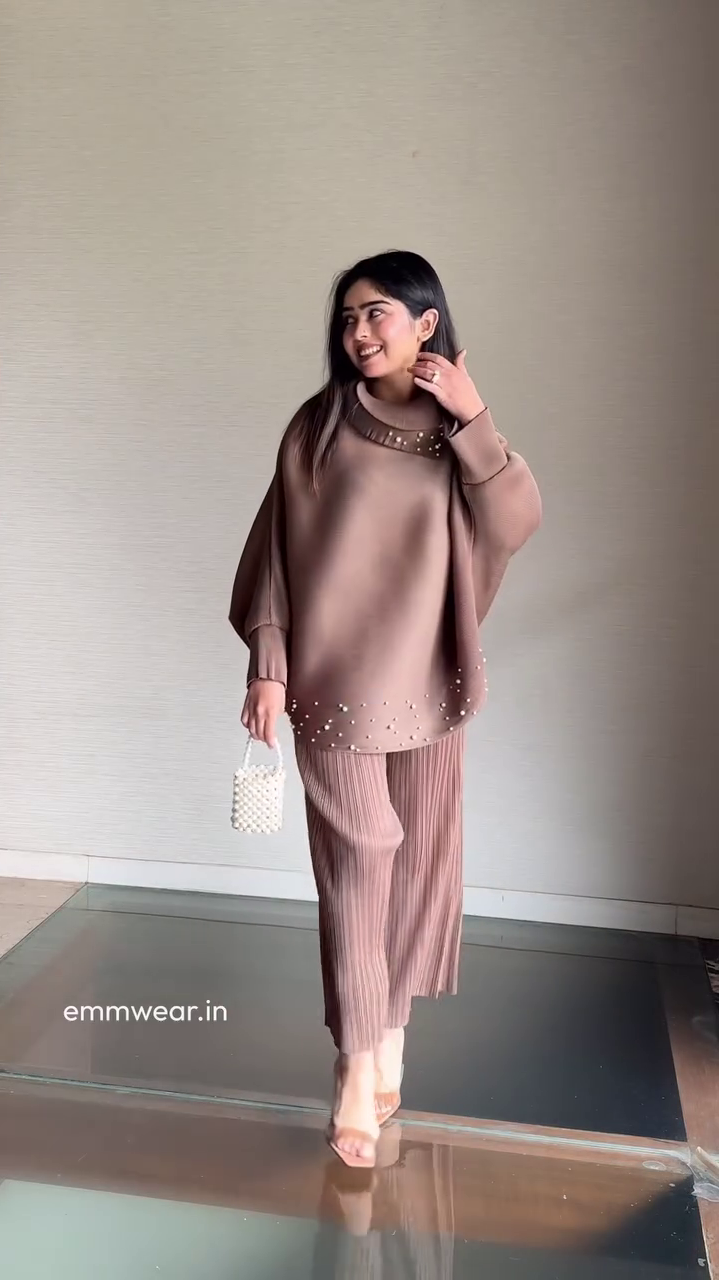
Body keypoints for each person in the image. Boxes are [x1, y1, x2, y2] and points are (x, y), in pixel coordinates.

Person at [229, 250, 542, 1169]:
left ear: (425, 323)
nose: (358, 333)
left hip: (429, 686)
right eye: (347, 318)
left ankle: (392, 1036)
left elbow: (515, 522)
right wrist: (268, 665)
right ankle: (356, 1062)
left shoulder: (457, 432)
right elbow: (274, 551)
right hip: (330, 684)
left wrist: (475, 418)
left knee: (416, 871)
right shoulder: (319, 425)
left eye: (376, 314)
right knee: (361, 864)